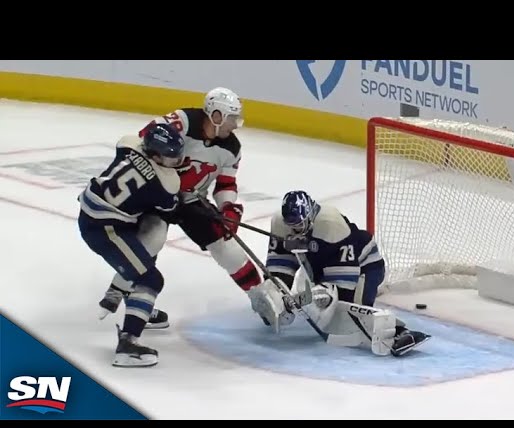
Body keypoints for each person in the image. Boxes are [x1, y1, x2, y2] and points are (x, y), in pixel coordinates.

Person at [96, 87, 263, 328]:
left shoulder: (232, 148)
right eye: (232, 118)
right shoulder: (182, 121)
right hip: (158, 192)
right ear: (215, 116)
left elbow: (226, 183)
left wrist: (228, 207)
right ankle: (133, 298)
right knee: (152, 239)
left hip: (191, 199)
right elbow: (147, 139)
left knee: (226, 246)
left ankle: (262, 296)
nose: (236, 125)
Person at [248, 190, 430, 356]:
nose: (295, 230)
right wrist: (277, 296)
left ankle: (399, 332)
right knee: (301, 298)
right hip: (320, 266)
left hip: (365, 266)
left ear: (310, 215)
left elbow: (343, 288)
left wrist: (323, 297)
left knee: (344, 311)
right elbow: (281, 262)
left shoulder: (331, 225)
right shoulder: (280, 223)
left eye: (300, 224)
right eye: (292, 225)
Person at [77, 123, 186, 367]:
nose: (177, 160)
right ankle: (128, 343)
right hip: (105, 229)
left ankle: (135, 307)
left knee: (146, 250)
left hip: (95, 211)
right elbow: (170, 209)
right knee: (150, 279)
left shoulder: (127, 143)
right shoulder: (168, 182)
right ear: (156, 154)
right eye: (170, 156)